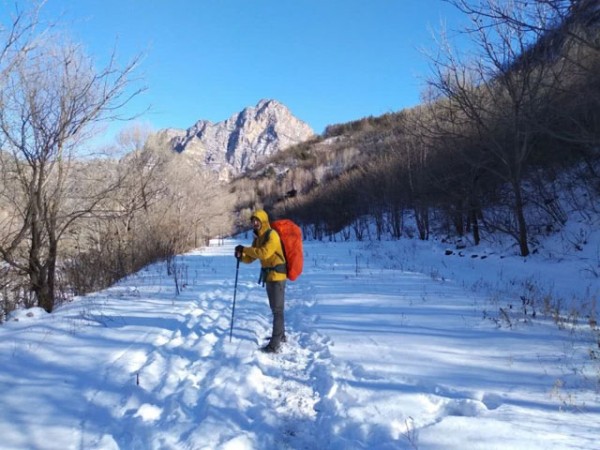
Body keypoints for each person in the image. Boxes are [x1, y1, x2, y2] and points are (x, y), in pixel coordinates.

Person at [235, 209, 287, 353]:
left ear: (263, 220)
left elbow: (264, 253)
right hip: (269, 276)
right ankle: (281, 335)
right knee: (276, 309)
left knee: (277, 310)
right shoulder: (257, 239)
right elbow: (251, 258)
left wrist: (245, 248)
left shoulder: (272, 235)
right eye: (253, 221)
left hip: (277, 276)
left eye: (257, 220)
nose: (255, 223)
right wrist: (241, 256)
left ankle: (275, 344)